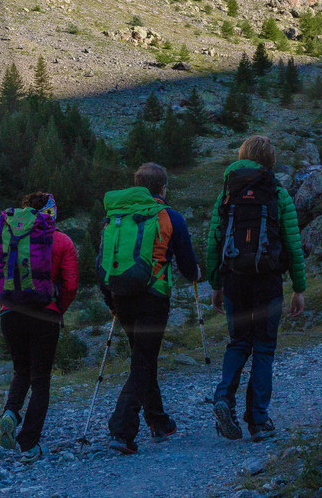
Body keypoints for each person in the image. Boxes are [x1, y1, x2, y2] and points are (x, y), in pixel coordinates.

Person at [206, 135, 306, 442]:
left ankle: (224, 397)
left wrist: (216, 284)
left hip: (235, 278)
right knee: (263, 348)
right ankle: (259, 421)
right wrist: (299, 287)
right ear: (270, 161)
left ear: (242, 156)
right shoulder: (277, 192)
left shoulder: (226, 193)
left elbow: (213, 241)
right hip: (268, 281)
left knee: (238, 342)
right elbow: (292, 242)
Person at [98, 162, 199, 454]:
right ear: (163, 187)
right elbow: (187, 265)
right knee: (143, 361)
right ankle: (121, 430)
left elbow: (101, 264)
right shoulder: (170, 217)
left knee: (144, 358)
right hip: (153, 299)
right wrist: (197, 275)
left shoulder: (117, 217)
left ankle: (158, 421)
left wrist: (111, 302)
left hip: (122, 298)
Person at [0, 191, 79, 463]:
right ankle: (28, 444)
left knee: (21, 370)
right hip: (44, 315)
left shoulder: (9, 238)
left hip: (10, 314)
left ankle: (11, 413)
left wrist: (7, 304)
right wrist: (57, 309)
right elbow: (71, 284)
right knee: (40, 380)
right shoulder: (61, 240)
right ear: (52, 212)